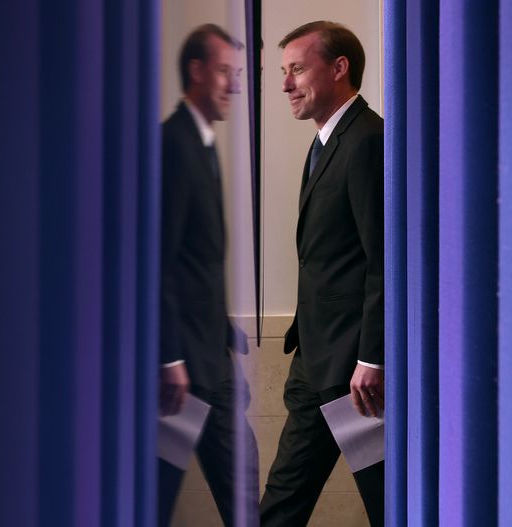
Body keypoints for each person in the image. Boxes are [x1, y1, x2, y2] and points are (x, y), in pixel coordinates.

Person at [259, 21, 385, 527]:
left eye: (296, 69)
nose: (286, 84)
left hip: (355, 376)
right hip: (316, 362)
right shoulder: (325, 144)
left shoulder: (367, 141)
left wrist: (372, 359)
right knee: (282, 501)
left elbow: (383, 259)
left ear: (339, 68)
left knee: (386, 502)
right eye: (283, 72)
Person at [158, 23, 259, 527]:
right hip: (182, 372)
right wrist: (169, 355)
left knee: (241, 487)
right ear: (196, 71)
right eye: (225, 72)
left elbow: (200, 262)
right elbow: (161, 259)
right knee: (158, 489)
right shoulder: (173, 144)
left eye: (236, 74)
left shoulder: (201, 142)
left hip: (210, 362)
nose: (234, 86)